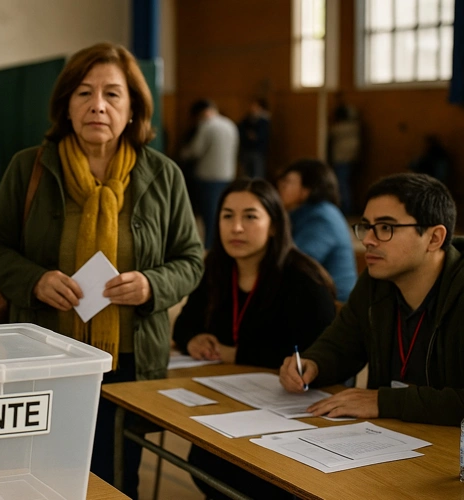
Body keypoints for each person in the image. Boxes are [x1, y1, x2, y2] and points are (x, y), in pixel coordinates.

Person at [0, 42, 204, 498]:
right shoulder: (30, 167)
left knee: (117, 477)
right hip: (45, 353)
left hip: (129, 360)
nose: (97, 105)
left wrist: (152, 284)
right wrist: (35, 280)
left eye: (112, 94)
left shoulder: (162, 175)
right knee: (38, 475)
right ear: (65, 105)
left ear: (133, 108)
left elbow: (191, 259)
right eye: (84, 93)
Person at [173, 178, 336, 500]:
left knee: (245, 480)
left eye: (250, 217)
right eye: (227, 216)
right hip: (229, 400)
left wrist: (238, 354)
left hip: (292, 413)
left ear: (273, 225)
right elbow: (183, 326)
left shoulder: (303, 280)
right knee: (205, 463)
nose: (236, 227)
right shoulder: (217, 268)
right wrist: (193, 339)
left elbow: (320, 357)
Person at [280, 173, 464, 427]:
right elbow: (340, 347)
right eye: (366, 226)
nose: (367, 239)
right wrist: (313, 364)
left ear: (434, 238)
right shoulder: (375, 283)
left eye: (386, 228)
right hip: (388, 439)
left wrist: (383, 401)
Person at [277, 159, 357, 301]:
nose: (280, 187)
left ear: (306, 191)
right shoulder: (304, 214)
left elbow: (296, 264)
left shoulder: (322, 217)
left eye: (288, 182)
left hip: (337, 305)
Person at [180, 99, 239, 248]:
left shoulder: (206, 126)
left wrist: (182, 153)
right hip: (227, 175)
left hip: (208, 178)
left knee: (209, 216)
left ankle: (209, 248)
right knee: (224, 213)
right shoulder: (230, 125)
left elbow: (195, 151)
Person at [328, 102, 361, 215]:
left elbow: (330, 133)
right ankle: (347, 208)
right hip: (351, 159)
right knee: (345, 184)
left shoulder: (339, 128)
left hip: (341, 159)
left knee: (342, 185)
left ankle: (346, 209)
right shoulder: (355, 127)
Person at [237, 98, 270, 179]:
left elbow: (260, 136)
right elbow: (242, 132)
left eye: (255, 106)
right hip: (246, 151)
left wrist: (253, 136)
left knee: (257, 175)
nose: (252, 108)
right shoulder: (246, 120)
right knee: (245, 176)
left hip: (258, 152)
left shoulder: (263, 121)